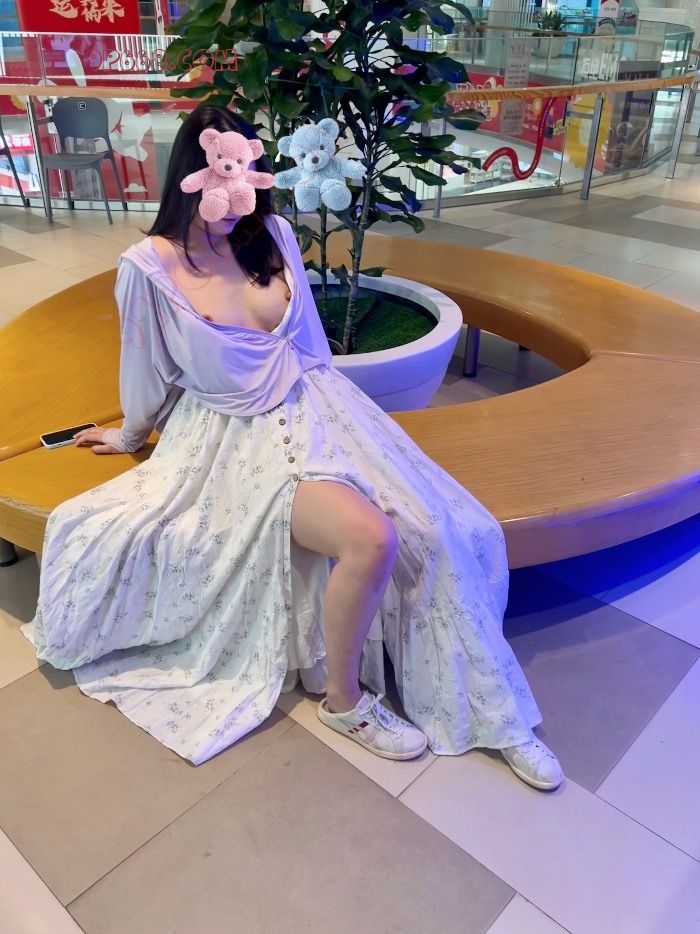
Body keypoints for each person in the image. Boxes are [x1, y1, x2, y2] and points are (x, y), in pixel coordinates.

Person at [21, 103, 563, 791]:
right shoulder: (149, 267)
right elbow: (144, 369)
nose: (234, 193)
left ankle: (500, 716)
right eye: (220, 174)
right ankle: (345, 703)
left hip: (318, 407)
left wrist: (347, 429)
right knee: (372, 538)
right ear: (192, 174)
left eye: (245, 174)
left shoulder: (271, 235)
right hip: (232, 439)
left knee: (443, 526)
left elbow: (309, 351)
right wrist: (130, 434)